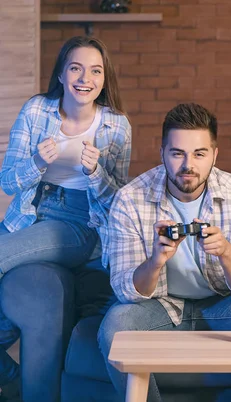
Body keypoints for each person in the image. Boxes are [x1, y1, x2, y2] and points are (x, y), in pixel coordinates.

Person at [98, 103, 231, 402]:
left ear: (214, 155)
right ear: (162, 153)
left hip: (223, 303)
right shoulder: (130, 199)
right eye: (177, 153)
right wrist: (156, 261)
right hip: (160, 306)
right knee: (115, 325)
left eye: (199, 154)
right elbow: (126, 291)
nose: (188, 165)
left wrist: (225, 252)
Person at [0, 36, 131, 399]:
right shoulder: (36, 110)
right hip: (28, 216)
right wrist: (37, 163)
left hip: (78, 222)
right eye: (75, 68)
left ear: (104, 80)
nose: (84, 77)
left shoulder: (116, 126)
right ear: (60, 74)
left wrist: (94, 174)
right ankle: (9, 375)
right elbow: (7, 180)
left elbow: (116, 204)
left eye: (95, 70)